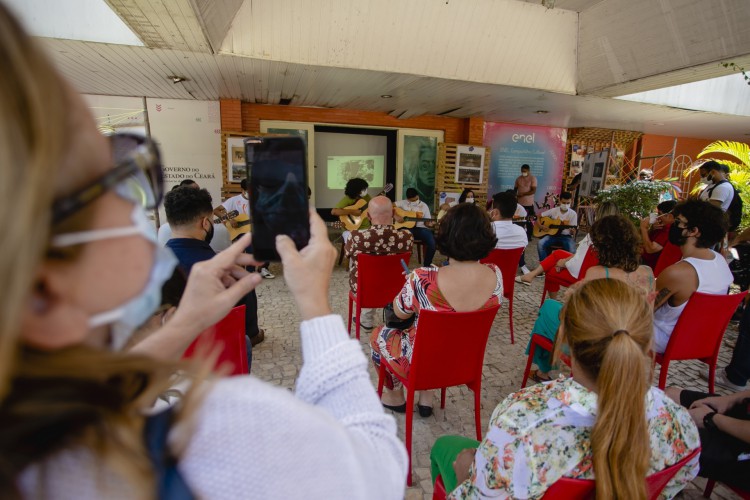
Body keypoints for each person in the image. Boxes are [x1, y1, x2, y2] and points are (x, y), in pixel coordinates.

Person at [0, 9, 408, 498]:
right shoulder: (217, 427)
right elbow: (379, 471)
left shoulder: (30, 431)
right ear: (43, 290)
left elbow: (83, 405)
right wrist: (317, 308)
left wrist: (183, 322)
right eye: (111, 177)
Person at [431, 279, 700, 499]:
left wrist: (467, 470)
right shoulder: (678, 421)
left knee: (446, 447)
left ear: (564, 343)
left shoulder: (522, 421)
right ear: (645, 344)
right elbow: (681, 476)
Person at [370, 203, 502, 416]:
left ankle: (395, 397)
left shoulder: (423, 278)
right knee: (436, 335)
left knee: (379, 335)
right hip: (462, 363)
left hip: (423, 364)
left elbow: (399, 313)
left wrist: (412, 284)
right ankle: (426, 399)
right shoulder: (496, 275)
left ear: (445, 235)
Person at [524, 214, 655, 382]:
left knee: (548, 307)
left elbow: (576, 316)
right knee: (550, 308)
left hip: (597, 344)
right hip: (634, 345)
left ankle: (543, 371)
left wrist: (572, 296)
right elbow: (647, 318)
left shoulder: (598, 273)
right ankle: (543, 371)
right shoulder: (647, 273)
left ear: (600, 246)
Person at [653, 200, 734, 353]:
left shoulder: (678, 272)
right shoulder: (720, 261)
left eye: (678, 222)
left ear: (693, 231)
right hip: (700, 341)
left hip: (666, 339)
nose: (673, 226)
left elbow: (643, 310)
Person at [345, 196, 414, 330]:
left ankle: (366, 319)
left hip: (364, 289)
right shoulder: (407, 237)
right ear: (393, 213)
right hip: (396, 288)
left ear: (369, 216)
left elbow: (348, 256)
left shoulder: (356, 237)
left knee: (359, 264)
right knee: (387, 269)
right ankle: (393, 319)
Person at [516, 201, 618, 289]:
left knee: (551, 270)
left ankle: (551, 300)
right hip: (600, 274)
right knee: (556, 252)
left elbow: (580, 259)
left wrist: (563, 263)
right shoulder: (617, 237)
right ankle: (531, 275)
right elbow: (582, 256)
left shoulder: (592, 236)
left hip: (582, 274)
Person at [666, 386, 750, 491]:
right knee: (670, 395)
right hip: (743, 413)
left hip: (743, 449)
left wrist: (711, 418)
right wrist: (730, 399)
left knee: (665, 438)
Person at [217, 178, 275, 279]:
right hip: (240, 232)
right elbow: (216, 211)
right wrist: (229, 219)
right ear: (243, 190)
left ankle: (263, 268)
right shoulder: (234, 200)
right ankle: (250, 271)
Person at [395, 187, 436, 267]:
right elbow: (389, 206)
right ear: (408, 199)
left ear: (418, 196)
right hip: (406, 229)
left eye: (416, 199)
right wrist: (395, 215)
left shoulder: (424, 206)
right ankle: (400, 265)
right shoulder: (402, 203)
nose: (414, 201)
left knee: (432, 243)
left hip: (421, 229)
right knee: (402, 238)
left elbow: (427, 223)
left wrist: (430, 224)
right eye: (412, 200)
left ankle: (427, 265)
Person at [535, 191, 578, 262]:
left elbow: (573, 232)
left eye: (568, 203)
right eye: (564, 203)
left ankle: (566, 267)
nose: (566, 205)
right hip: (552, 235)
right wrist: (541, 226)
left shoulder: (573, 214)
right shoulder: (553, 211)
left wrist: (573, 231)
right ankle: (544, 265)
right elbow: (538, 216)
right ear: (560, 201)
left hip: (566, 237)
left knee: (572, 250)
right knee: (540, 243)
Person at [331, 177, 372, 242]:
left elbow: (372, 205)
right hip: (350, 229)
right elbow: (334, 212)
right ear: (357, 190)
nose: (366, 190)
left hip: (366, 228)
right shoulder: (348, 199)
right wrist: (353, 211)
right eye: (364, 189)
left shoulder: (367, 197)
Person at [640, 200, 677, 270]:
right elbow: (646, 241)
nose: (658, 217)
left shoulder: (669, 230)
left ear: (669, 216)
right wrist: (652, 229)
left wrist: (643, 228)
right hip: (643, 259)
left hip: (648, 265)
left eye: (660, 214)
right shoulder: (662, 226)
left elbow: (650, 249)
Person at [514, 164, 537, 239]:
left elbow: (533, 191)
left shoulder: (533, 179)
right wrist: (515, 196)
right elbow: (515, 190)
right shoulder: (518, 179)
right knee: (518, 219)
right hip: (519, 204)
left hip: (529, 203)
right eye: (522, 171)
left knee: (529, 220)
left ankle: (529, 235)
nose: (523, 172)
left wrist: (523, 194)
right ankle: (518, 234)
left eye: (525, 171)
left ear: (528, 171)